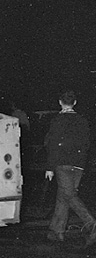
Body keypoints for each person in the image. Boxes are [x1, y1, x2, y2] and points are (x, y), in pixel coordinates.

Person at [43, 90, 96, 244]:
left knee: (69, 196)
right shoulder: (83, 121)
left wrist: (50, 167)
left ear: (60, 102)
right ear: (75, 103)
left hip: (62, 163)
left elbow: (52, 145)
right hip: (78, 164)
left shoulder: (57, 120)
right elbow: (86, 144)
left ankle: (91, 224)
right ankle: (56, 231)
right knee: (64, 196)